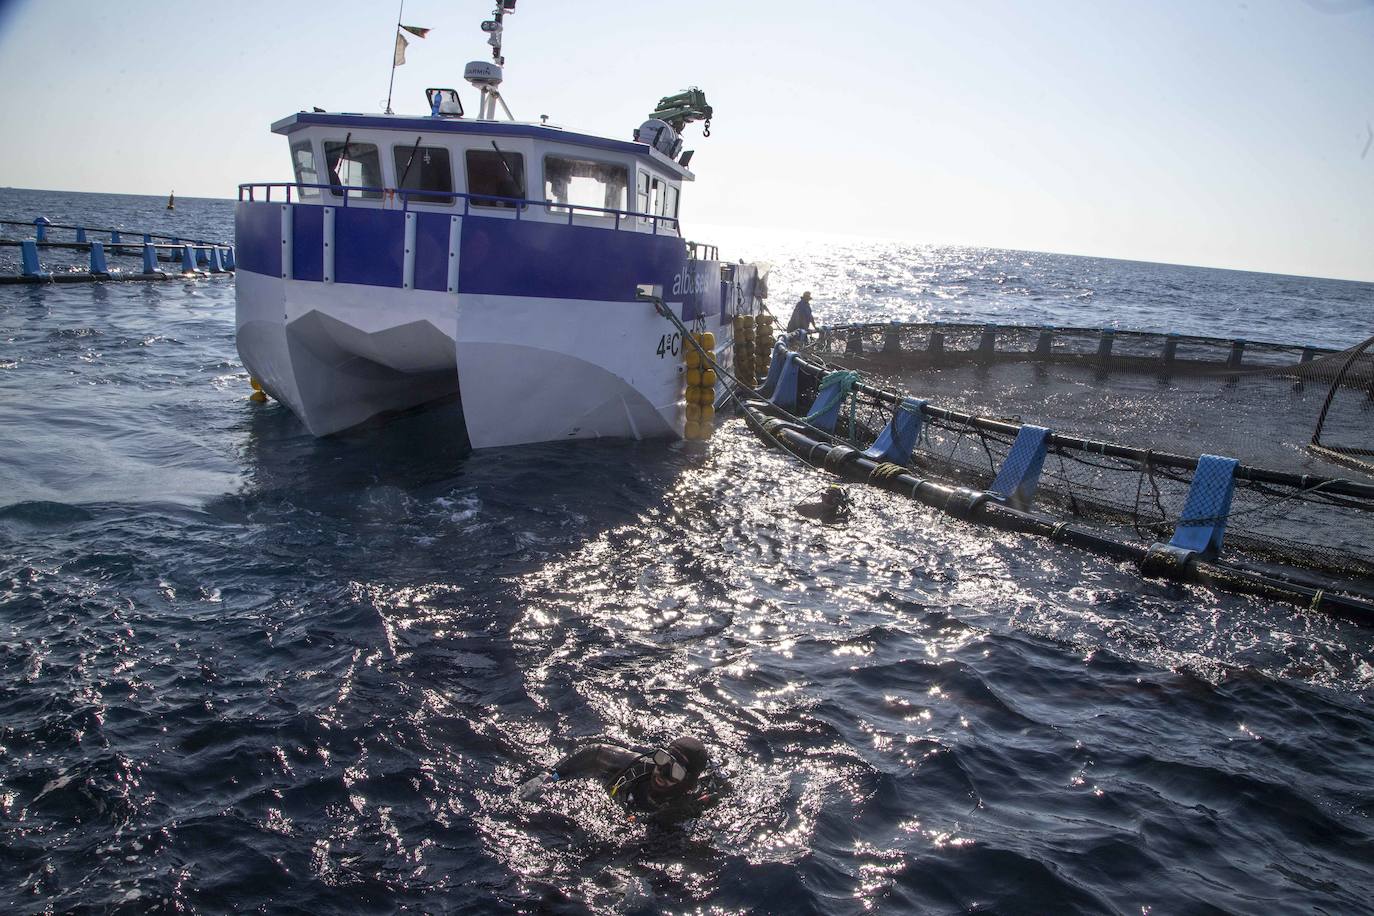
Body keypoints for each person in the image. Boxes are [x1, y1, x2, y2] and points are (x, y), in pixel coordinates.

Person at [517, 736, 722, 819]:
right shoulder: (640, 767)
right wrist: (550, 775)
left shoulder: (689, 804)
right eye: (663, 760)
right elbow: (596, 752)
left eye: (675, 771)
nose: (662, 772)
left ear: (688, 782)